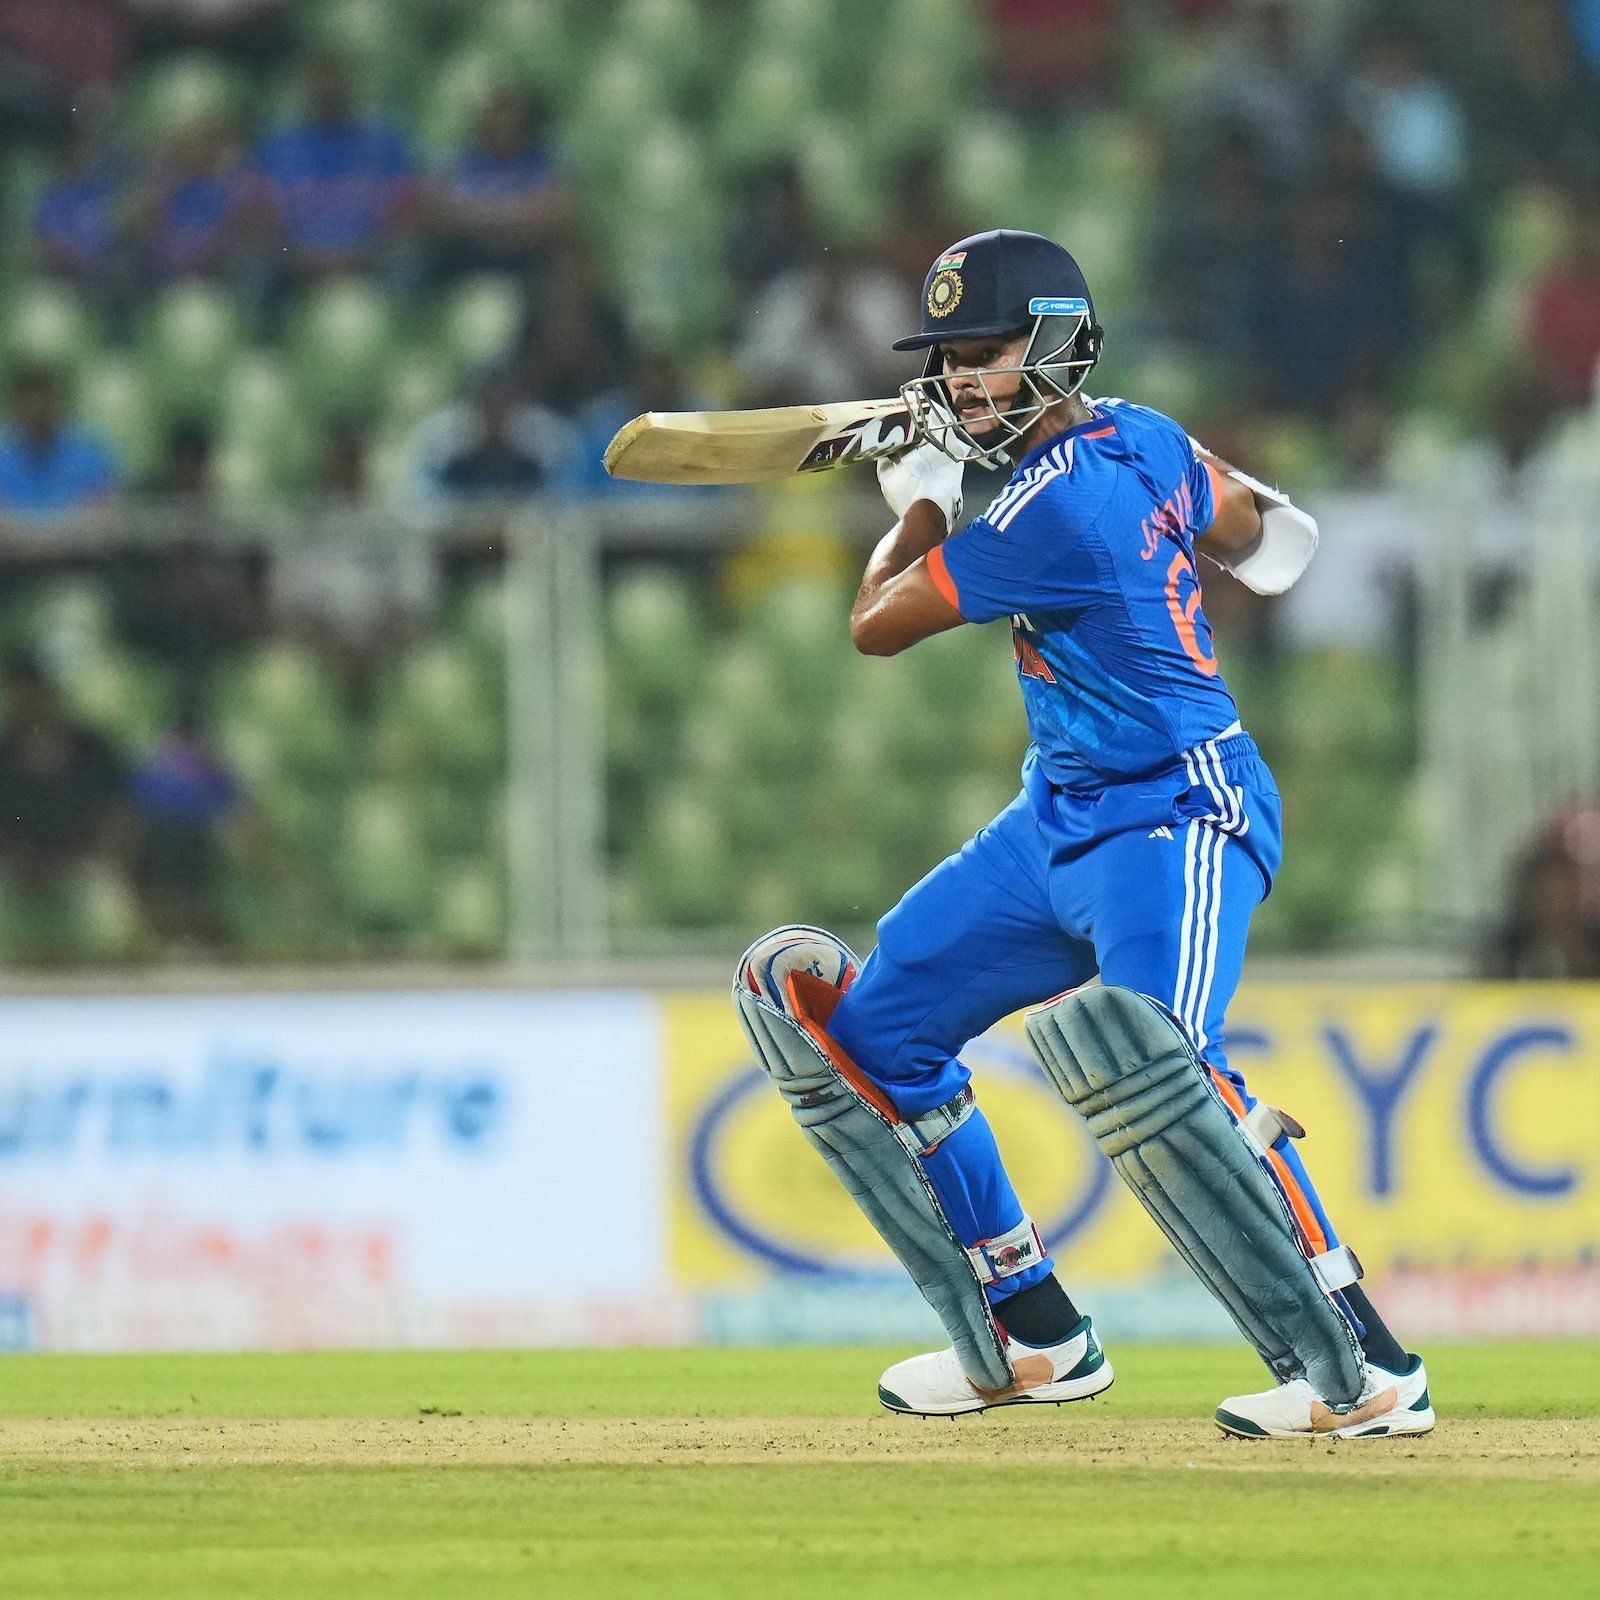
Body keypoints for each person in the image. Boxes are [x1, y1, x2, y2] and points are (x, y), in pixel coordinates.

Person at [743, 229, 1431, 1439]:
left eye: (989, 354)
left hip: (1175, 810)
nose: (963, 381)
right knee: (876, 1032)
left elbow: (873, 626)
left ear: (1057, 344)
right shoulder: (1144, 434)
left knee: (1166, 1066)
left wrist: (916, 503)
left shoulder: (1050, 513)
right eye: (951, 359)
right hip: (1059, 811)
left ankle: (1365, 1367)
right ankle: (1032, 1332)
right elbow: (1273, 543)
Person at [0, 362, 122, 524]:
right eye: (28, 401)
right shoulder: (3, 458)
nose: (36, 408)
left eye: (44, 399)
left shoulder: (91, 456)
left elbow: (112, 518)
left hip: (80, 549)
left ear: (59, 402)